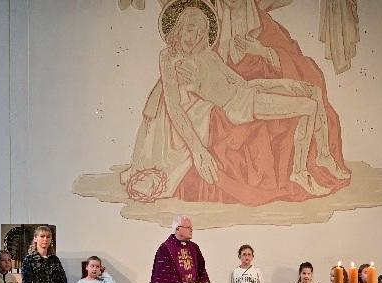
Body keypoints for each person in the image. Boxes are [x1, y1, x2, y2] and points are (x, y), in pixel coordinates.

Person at [122, 4, 348, 206]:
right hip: (239, 105)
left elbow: (237, 81)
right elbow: (175, 108)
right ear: (179, 27)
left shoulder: (208, 55)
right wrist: (198, 151)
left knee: (312, 91)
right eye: (191, 29)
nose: (195, 36)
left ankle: (323, 155)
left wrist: (268, 83)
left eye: (200, 32)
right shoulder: (171, 60)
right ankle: (299, 172)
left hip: (247, 91)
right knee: (308, 106)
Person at [150, 215, 210, 283]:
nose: (191, 230)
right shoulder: (166, 248)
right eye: (188, 227)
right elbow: (164, 275)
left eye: (191, 227)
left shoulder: (194, 248)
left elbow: (202, 272)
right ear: (178, 229)